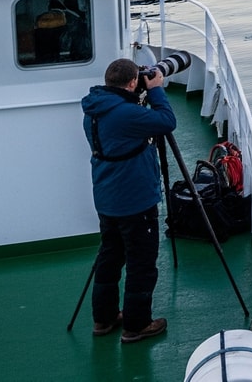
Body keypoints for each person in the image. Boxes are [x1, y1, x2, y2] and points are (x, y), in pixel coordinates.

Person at [80, 58, 177, 343]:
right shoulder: (126, 114)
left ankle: (104, 319)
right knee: (141, 263)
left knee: (110, 257)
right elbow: (167, 122)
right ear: (133, 82)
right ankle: (137, 325)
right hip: (135, 200)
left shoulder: (95, 109)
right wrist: (157, 89)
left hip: (107, 197)